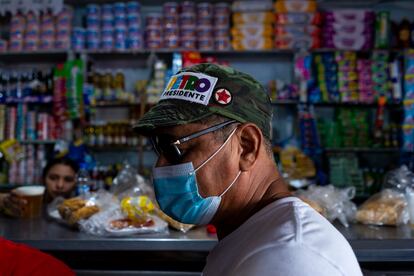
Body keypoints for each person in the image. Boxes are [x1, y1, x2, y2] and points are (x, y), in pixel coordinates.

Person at [133, 63, 363, 275]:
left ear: (246, 147)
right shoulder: (254, 236)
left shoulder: (291, 257)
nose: (160, 166)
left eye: (174, 149)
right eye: (158, 148)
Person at [0, 157, 79, 216]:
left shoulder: (82, 211)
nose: (60, 185)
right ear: (43, 179)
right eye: (53, 178)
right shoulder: (25, 206)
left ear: (76, 183)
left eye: (68, 180)